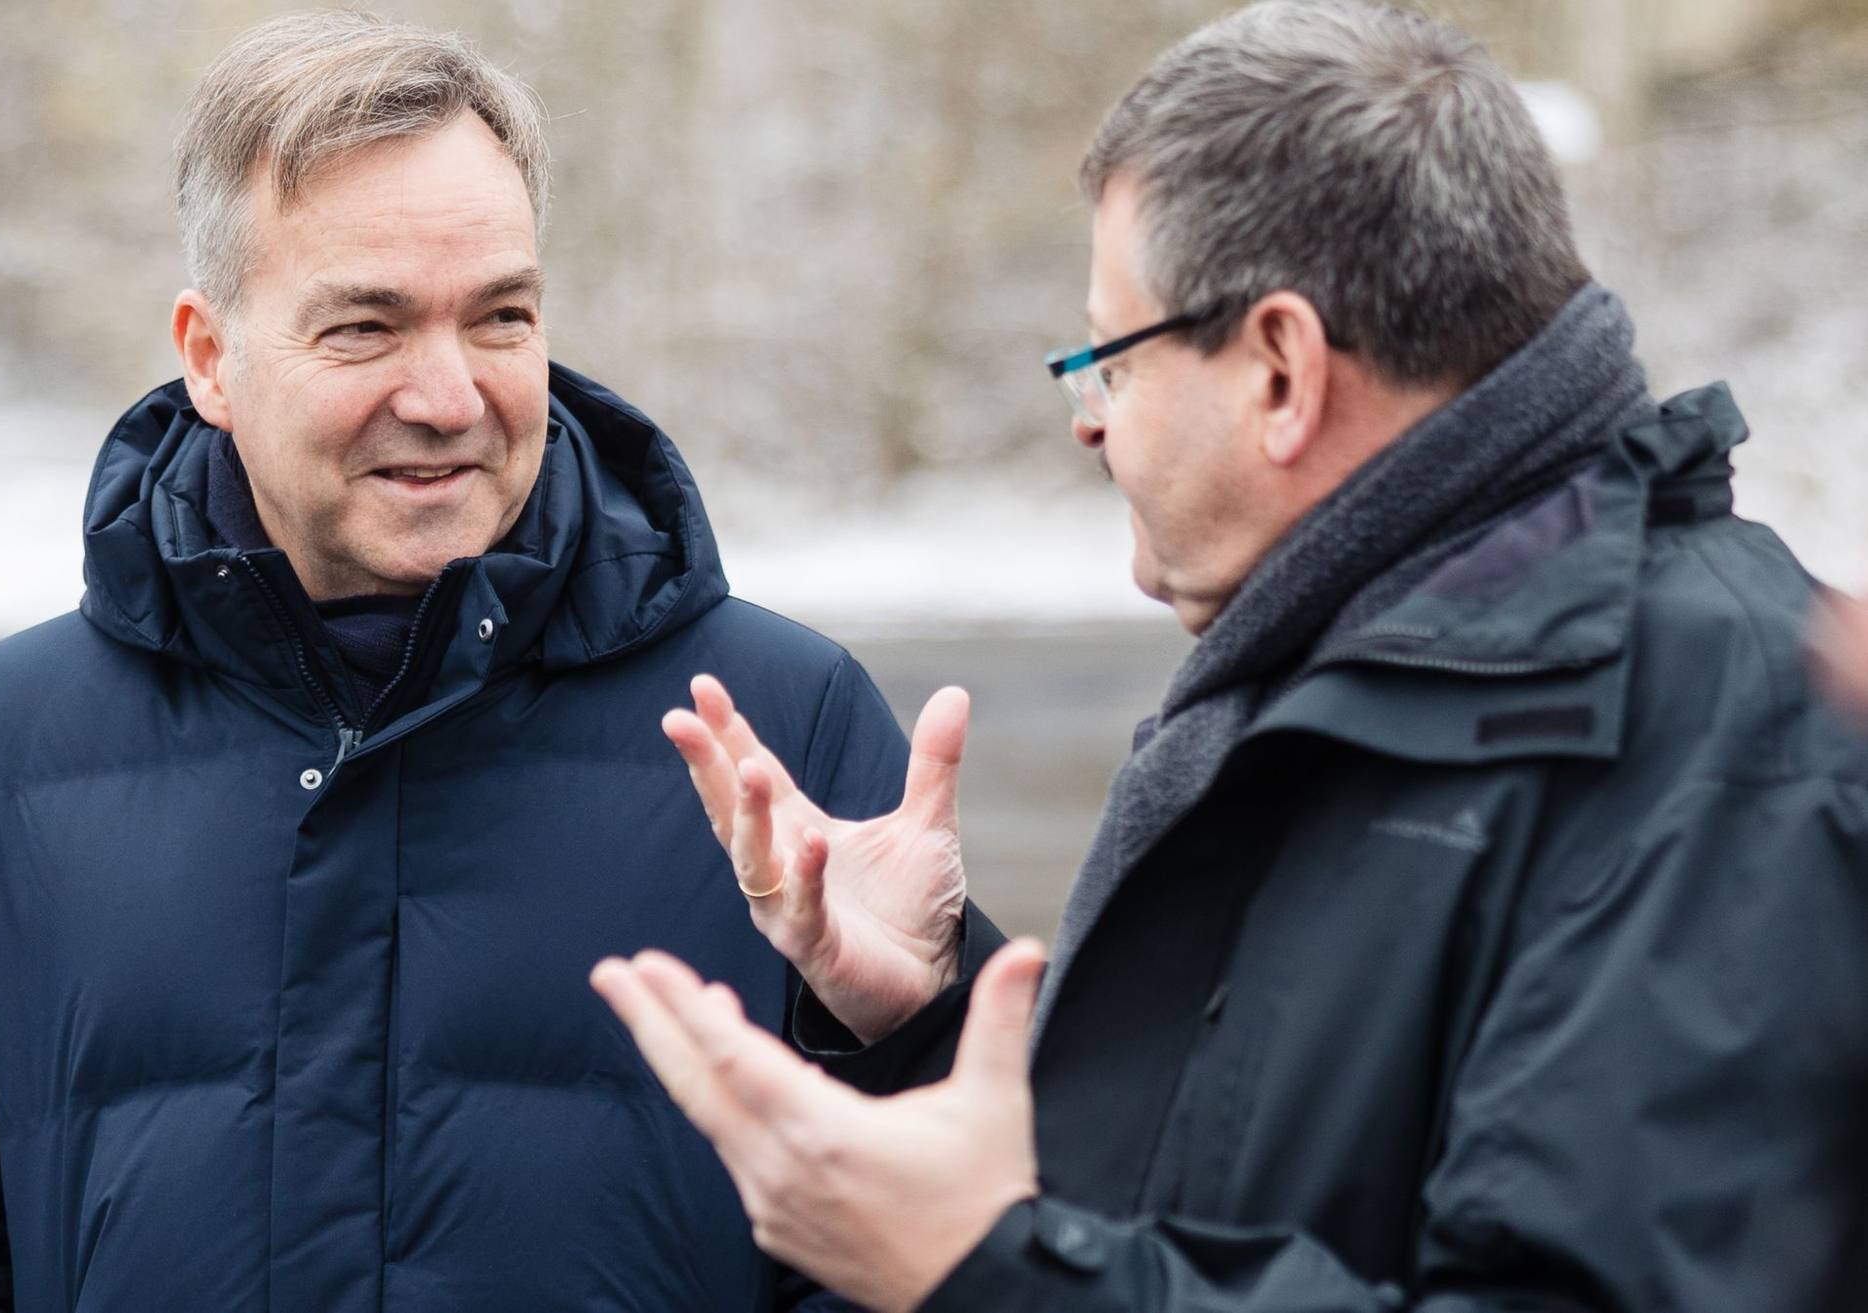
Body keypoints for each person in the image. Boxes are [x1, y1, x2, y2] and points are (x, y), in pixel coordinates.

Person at [591, 3, 1868, 1309]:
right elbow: (1212, 1193)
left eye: (1111, 362)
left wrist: (995, 1277)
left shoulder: (1723, 745)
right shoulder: (1367, 668)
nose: (1089, 427)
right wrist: (930, 1017)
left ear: (1279, 372)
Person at [0, 12, 908, 1311]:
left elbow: (929, 1236)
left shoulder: (781, 727)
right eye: (366, 327)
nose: (449, 397)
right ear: (211, 358)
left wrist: (919, 1013)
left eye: (501, 316)